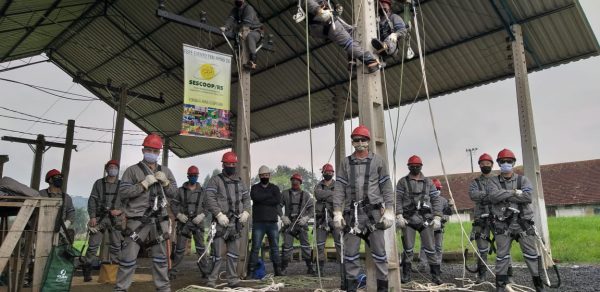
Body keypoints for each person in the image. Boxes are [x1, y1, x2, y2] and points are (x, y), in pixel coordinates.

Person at [333, 125, 395, 292]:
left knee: (379, 254)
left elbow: (387, 187)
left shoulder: (378, 161)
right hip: (352, 215)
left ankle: (383, 288)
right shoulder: (345, 163)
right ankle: (351, 286)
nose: (359, 142)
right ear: (352, 142)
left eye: (363, 140)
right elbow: (339, 188)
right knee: (350, 254)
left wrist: (389, 210)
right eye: (356, 140)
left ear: (368, 142)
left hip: (373, 214)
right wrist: (337, 211)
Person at [114, 134, 178, 292]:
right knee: (128, 258)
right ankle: (121, 289)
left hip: (159, 220)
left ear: (159, 153)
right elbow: (123, 192)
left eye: (155, 150)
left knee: (161, 259)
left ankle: (163, 288)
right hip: (137, 220)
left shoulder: (166, 171)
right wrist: (142, 185)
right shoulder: (132, 171)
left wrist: (166, 182)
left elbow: (174, 193)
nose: (151, 153)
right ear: (143, 150)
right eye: (149, 149)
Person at [488, 149, 544, 292]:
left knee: (531, 254)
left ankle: (539, 285)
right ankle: (500, 287)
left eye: (509, 161)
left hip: (522, 223)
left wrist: (503, 195)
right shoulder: (493, 181)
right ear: (499, 163)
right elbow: (493, 197)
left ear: (513, 163)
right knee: (502, 256)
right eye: (503, 161)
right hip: (502, 224)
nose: (506, 164)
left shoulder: (523, 180)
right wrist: (513, 192)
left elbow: (527, 197)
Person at [204, 151, 250, 288]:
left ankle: (232, 279)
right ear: (223, 165)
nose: (231, 166)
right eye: (228, 164)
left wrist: (247, 212)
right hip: (220, 223)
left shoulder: (240, 182)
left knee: (233, 254)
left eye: (233, 164)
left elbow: (246, 199)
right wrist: (218, 214)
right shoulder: (215, 180)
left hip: (235, 224)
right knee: (216, 255)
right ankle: (212, 280)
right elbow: (209, 198)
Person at [396, 155, 443, 285]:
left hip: (425, 220)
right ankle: (406, 275)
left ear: (421, 166)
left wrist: (438, 216)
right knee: (408, 249)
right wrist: (399, 215)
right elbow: (398, 199)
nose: (415, 168)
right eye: (412, 166)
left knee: (430, 248)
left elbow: (436, 200)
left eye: (417, 166)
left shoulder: (428, 182)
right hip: (408, 220)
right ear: (408, 167)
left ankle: (436, 275)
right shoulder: (402, 182)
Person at [302, 0, 381, 73]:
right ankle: (371, 62)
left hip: (323, 25)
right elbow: (308, 3)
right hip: (325, 24)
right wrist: (320, 11)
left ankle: (352, 61)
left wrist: (335, 10)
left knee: (352, 31)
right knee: (348, 42)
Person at [82, 160, 125, 282]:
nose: (113, 169)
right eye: (110, 167)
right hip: (100, 219)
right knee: (93, 246)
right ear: (106, 169)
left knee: (116, 246)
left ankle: (116, 272)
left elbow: (127, 202)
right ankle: (87, 270)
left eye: (115, 167)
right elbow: (92, 200)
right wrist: (92, 217)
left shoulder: (122, 185)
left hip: (115, 220)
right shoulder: (98, 183)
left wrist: (120, 211)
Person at [170, 165, 209, 278]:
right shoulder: (180, 191)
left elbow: (208, 206)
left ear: (197, 176)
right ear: (188, 176)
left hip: (198, 223)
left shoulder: (203, 191)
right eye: (191, 176)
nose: (193, 177)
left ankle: (205, 272)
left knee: (201, 248)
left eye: (195, 176)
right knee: (180, 249)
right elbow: (173, 204)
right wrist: (178, 214)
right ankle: (173, 272)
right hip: (184, 223)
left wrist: (202, 215)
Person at [248, 165, 283, 277]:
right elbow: (255, 198)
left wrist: (262, 198)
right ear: (259, 176)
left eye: (266, 175)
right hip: (258, 223)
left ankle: (278, 271)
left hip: (272, 223)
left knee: (275, 248)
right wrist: (269, 197)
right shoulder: (254, 188)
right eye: (262, 175)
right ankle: (251, 271)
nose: (264, 177)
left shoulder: (275, 188)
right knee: (255, 247)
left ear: (269, 176)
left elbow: (277, 200)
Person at [468, 153, 497, 283]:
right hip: (481, 219)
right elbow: (473, 195)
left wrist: (485, 195)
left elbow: (501, 194)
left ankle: (507, 276)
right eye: (483, 164)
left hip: (497, 218)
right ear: (479, 165)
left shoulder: (498, 180)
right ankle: (482, 275)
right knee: (482, 249)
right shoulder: (475, 182)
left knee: (503, 248)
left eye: (488, 163)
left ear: (492, 164)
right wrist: (490, 194)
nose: (485, 165)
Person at [280, 173, 315, 275]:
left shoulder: (306, 195)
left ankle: (310, 267)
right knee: (287, 247)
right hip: (289, 224)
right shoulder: (285, 193)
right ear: (291, 181)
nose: (295, 182)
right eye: (293, 180)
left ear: (300, 182)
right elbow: (278, 205)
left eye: (297, 181)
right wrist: (282, 216)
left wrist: (307, 217)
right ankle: (283, 268)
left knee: (305, 246)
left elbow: (312, 208)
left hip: (301, 224)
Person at [418, 178, 453, 270]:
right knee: (424, 246)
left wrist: (450, 207)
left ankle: (437, 265)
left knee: (438, 247)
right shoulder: (424, 200)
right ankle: (423, 264)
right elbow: (420, 213)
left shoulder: (443, 201)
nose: (437, 191)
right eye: (435, 189)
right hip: (426, 226)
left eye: (438, 189)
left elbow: (448, 214)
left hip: (439, 228)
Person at [314, 163, 341, 274]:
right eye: (326, 172)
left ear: (333, 173)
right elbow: (318, 195)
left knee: (340, 244)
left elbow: (339, 196)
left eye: (330, 172)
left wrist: (327, 194)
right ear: (323, 173)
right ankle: (320, 270)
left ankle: (343, 269)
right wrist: (332, 194)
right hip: (321, 219)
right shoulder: (318, 186)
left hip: (335, 217)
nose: (328, 174)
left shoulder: (338, 185)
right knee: (320, 245)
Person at [220, 0, 263, 70]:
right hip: (242, 32)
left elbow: (247, 24)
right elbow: (230, 19)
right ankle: (239, 65)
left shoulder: (248, 8)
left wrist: (235, 28)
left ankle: (253, 62)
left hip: (256, 31)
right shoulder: (235, 10)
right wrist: (225, 27)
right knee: (236, 47)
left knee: (250, 36)